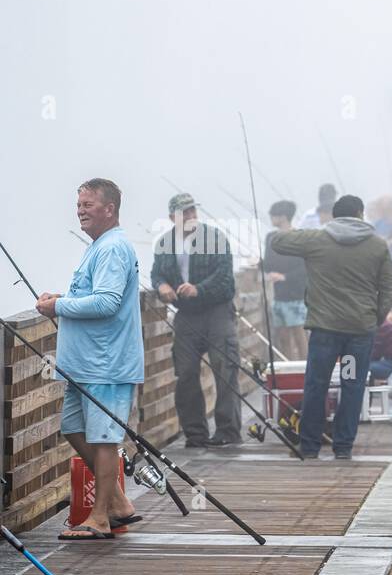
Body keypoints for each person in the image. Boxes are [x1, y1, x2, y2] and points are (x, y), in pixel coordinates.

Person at [36, 178, 143, 540]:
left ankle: (100, 518)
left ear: (109, 209)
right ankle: (118, 503)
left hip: (106, 363)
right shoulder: (98, 246)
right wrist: (62, 298)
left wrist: (58, 306)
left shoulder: (113, 247)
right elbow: (93, 294)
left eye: (88, 205)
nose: (80, 210)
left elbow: (107, 302)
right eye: (79, 204)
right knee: (74, 428)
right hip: (84, 365)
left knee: (104, 439)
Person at [268, 194, 392, 459]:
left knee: (317, 384)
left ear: (335, 216)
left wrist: (307, 230)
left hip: (325, 331)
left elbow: (278, 241)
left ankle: (310, 446)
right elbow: (389, 287)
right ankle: (342, 447)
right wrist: (375, 317)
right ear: (361, 213)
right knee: (351, 384)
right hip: (358, 334)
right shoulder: (376, 245)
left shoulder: (316, 239)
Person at [150, 191, 241, 448]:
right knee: (186, 373)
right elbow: (156, 273)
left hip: (217, 311)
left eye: (192, 210)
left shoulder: (214, 238)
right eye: (183, 212)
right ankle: (195, 433)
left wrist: (199, 288)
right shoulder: (164, 243)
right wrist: (162, 286)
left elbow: (225, 277)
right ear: (172, 217)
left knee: (225, 369)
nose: (190, 215)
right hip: (186, 315)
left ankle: (227, 430)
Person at [263, 199, 309, 360]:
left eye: (273, 215)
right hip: (279, 295)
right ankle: (288, 368)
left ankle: (304, 368)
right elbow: (268, 263)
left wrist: (284, 277)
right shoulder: (270, 237)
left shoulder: (299, 236)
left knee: (299, 334)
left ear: (282, 216)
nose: (271, 217)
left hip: (296, 295)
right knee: (283, 337)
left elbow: (305, 267)